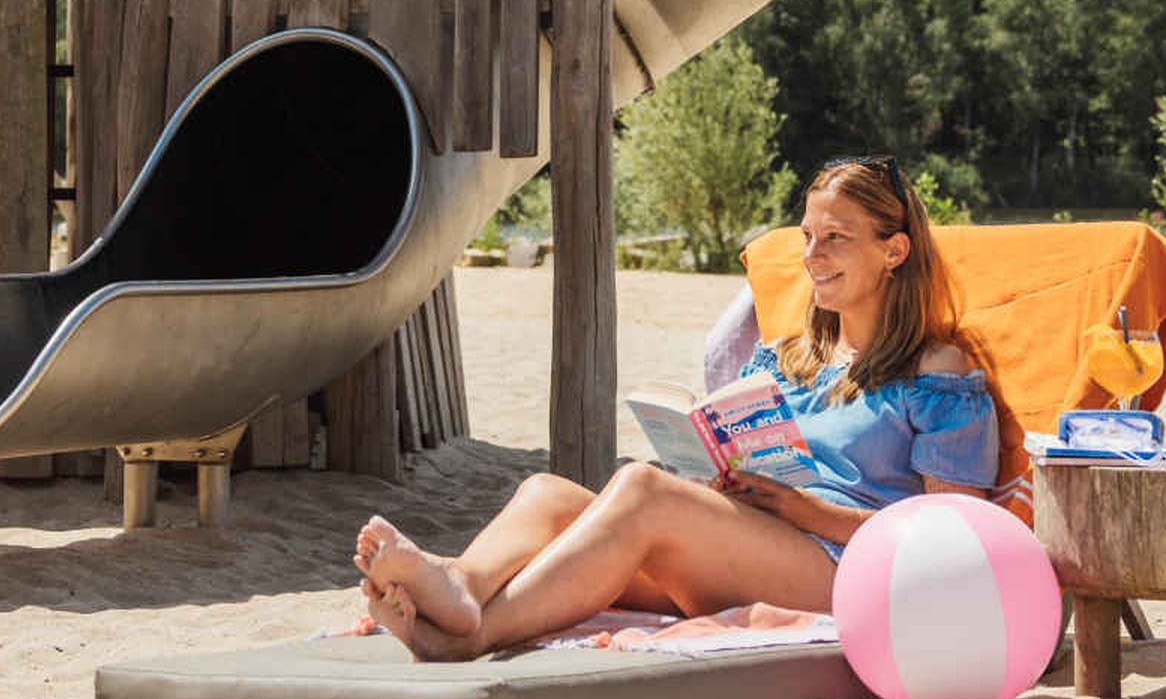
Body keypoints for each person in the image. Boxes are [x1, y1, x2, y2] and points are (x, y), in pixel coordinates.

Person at [355, 155, 1002, 660]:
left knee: (640, 488)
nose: (812, 256)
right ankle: (463, 581)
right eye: (808, 235)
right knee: (547, 492)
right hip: (749, 546)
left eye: (837, 237)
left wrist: (812, 512)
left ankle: (471, 634)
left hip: (843, 569)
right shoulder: (786, 357)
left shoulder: (938, 376)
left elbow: (953, 543)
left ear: (895, 250)